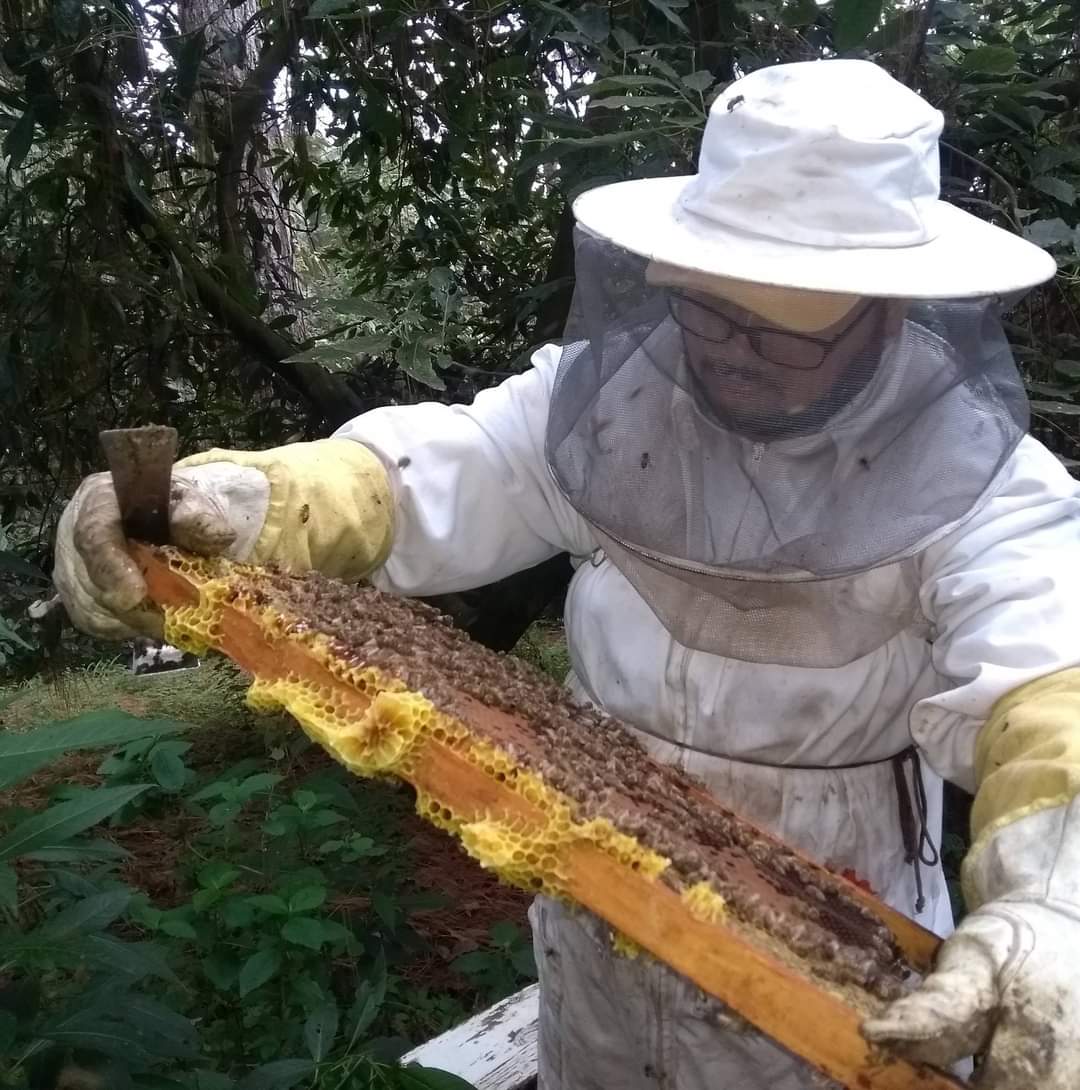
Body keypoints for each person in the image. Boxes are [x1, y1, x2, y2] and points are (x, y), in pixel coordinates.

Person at [53, 59, 1080, 1089]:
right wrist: (242, 500)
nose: (726, 352)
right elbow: (436, 472)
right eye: (705, 310)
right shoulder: (619, 399)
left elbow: (1051, 683)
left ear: (888, 310)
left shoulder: (987, 484)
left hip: (834, 900)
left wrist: (1053, 905)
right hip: (594, 888)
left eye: (775, 329)